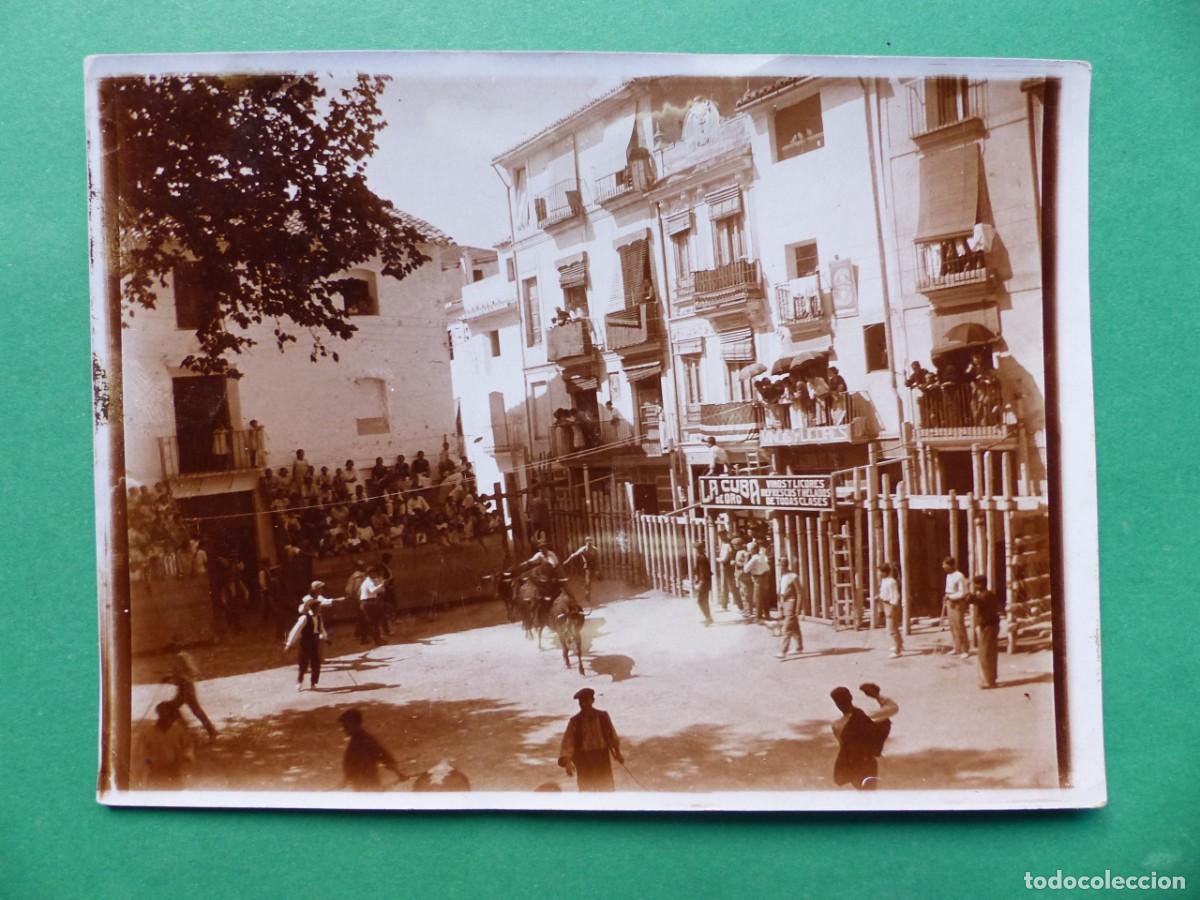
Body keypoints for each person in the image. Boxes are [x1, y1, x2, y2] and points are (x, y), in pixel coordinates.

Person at [558, 688, 623, 792]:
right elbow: (568, 742)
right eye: (581, 702)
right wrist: (568, 763)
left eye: (586, 701)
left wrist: (618, 753)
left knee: (606, 789)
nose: (583, 704)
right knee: (587, 791)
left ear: (592, 700)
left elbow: (612, 736)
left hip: (602, 759)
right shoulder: (575, 722)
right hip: (584, 762)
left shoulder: (603, 716)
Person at [829, 686, 889, 791]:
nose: (842, 705)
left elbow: (843, 745)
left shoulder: (866, 717)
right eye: (839, 702)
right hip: (856, 764)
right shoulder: (837, 725)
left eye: (843, 701)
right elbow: (843, 745)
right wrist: (877, 696)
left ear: (850, 698)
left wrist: (877, 696)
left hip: (861, 764)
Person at [337, 708, 409, 791]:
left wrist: (399, 773)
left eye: (346, 725)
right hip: (360, 787)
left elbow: (385, 757)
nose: (344, 729)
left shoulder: (366, 740)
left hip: (368, 786)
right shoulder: (355, 742)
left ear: (354, 724)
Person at [284, 582, 336, 691]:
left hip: (314, 641)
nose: (319, 609)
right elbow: (296, 631)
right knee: (303, 663)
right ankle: (299, 681)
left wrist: (326, 638)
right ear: (312, 608)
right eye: (318, 607)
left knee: (316, 663)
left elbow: (321, 629)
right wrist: (289, 644)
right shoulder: (304, 618)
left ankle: (313, 683)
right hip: (305, 642)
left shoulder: (319, 617)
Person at [135, 701, 195, 790]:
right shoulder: (148, 732)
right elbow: (141, 751)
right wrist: (146, 760)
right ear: (159, 714)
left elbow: (188, 745)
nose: (166, 717)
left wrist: (186, 756)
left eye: (169, 714)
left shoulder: (178, 730)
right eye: (163, 714)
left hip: (173, 770)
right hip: (155, 771)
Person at [163, 651, 217, 741]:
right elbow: (179, 675)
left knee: (173, 708)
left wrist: (178, 678)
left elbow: (191, 672)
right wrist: (169, 678)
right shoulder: (177, 658)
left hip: (186, 688)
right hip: (183, 688)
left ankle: (188, 732)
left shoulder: (181, 657)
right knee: (194, 710)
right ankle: (209, 731)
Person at [969, 575, 1004, 688]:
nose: (974, 586)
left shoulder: (985, 596)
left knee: (986, 654)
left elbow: (972, 599)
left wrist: (966, 590)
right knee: (988, 653)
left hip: (989, 627)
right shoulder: (987, 594)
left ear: (980, 584)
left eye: (975, 584)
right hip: (990, 626)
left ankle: (990, 681)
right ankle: (990, 678)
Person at [943, 556, 970, 658]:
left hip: (958, 602)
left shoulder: (959, 576)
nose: (944, 567)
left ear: (952, 565)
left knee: (959, 625)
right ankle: (956, 647)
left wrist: (950, 596)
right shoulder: (948, 576)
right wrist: (947, 597)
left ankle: (965, 650)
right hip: (950, 601)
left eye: (945, 565)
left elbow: (962, 593)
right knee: (952, 625)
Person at [776, 559, 804, 658]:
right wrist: (780, 604)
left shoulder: (793, 577)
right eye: (779, 566)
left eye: (781, 566)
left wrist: (798, 608)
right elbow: (781, 592)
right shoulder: (782, 577)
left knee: (786, 628)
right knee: (794, 627)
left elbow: (799, 593)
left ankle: (783, 651)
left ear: (785, 566)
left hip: (791, 603)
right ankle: (799, 647)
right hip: (785, 603)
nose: (780, 568)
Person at [563, 536, 600, 606]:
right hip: (587, 566)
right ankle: (587, 594)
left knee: (593, 580)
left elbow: (597, 561)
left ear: (592, 542)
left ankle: (588, 591)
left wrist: (597, 570)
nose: (589, 543)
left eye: (590, 541)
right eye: (587, 541)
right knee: (588, 582)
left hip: (593, 566)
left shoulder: (595, 550)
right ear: (586, 542)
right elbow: (573, 555)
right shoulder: (583, 549)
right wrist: (567, 561)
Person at [878, 563, 903, 658]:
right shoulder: (884, 581)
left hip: (891, 605)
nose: (879, 573)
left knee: (892, 629)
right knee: (894, 627)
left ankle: (897, 651)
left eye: (880, 571)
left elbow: (895, 596)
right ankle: (900, 644)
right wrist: (879, 597)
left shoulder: (891, 581)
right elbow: (884, 593)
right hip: (885, 604)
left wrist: (892, 608)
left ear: (884, 572)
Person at [745, 541, 772, 622]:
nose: (748, 551)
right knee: (765, 597)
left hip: (758, 579)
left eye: (749, 550)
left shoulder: (754, 559)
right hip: (765, 577)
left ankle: (758, 617)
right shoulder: (762, 556)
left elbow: (745, 569)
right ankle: (767, 615)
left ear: (752, 550)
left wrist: (747, 558)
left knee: (758, 598)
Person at [692, 540, 713, 625]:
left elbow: (703, 572)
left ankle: (707, 617)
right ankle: (708, 617)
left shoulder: (700, 558)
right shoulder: (704, 556)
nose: (696, 550)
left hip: (704, 581)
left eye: (697, 548)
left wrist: (700, 582)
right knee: (705, 600)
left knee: (700, 600)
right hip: (706, 581)